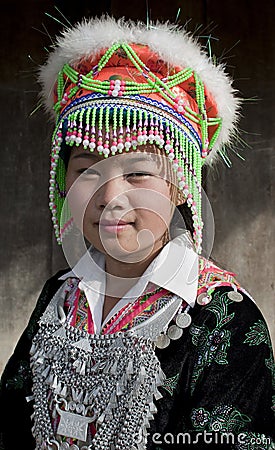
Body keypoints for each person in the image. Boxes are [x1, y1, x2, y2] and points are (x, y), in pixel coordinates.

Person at [0, 16, 274, 450]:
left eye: (139, 172)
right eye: (87, 168)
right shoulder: (59, 297)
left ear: (180, 186)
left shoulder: (226, 323)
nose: (111, 196)